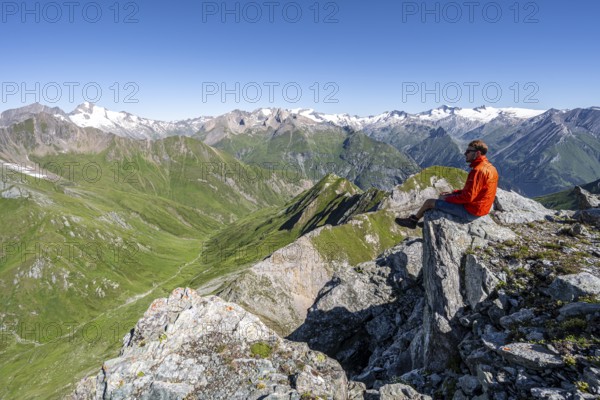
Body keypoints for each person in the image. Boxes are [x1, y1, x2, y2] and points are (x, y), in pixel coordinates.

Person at [395, 140, 498, 229]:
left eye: (468, 151)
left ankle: (413, 221)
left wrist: (447, 198)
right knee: (444, 197)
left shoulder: (478, 171)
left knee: (429, 202)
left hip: (471, 211)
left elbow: (468, 197)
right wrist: (454, 193)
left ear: (477, 153)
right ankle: (429, 221)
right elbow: (475, 191)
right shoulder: (490, 168)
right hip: (480, 208)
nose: (465, 153)